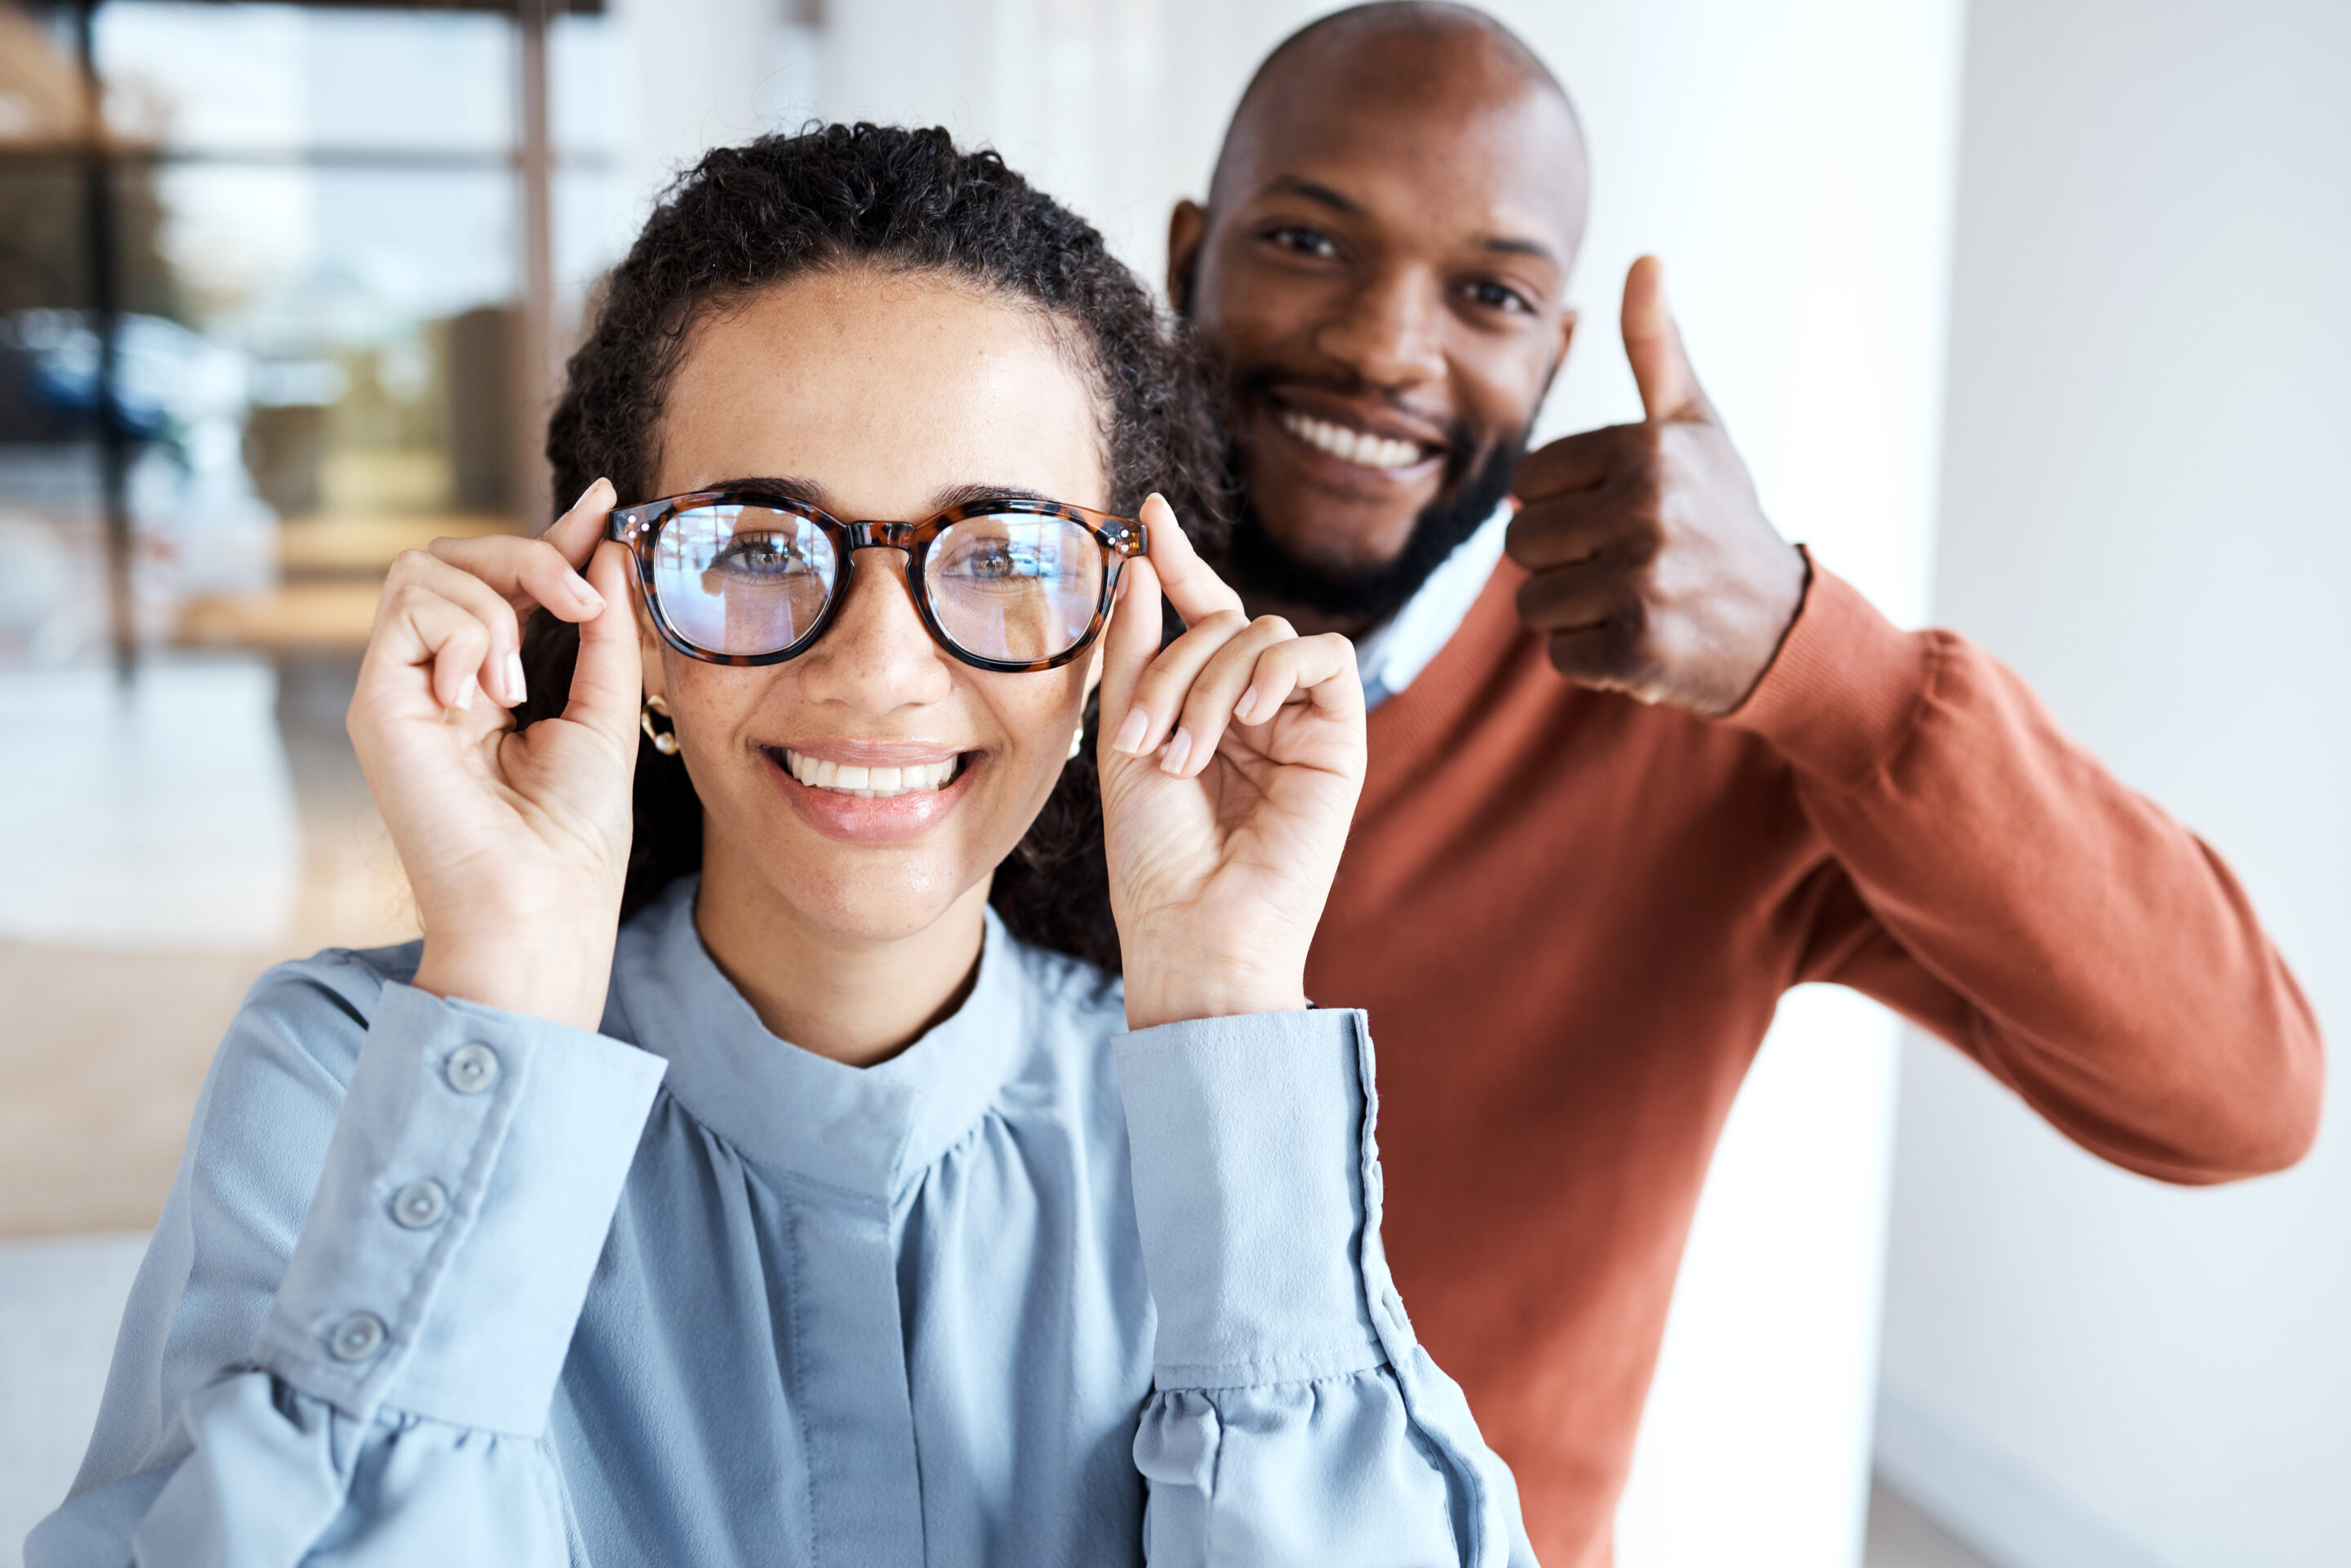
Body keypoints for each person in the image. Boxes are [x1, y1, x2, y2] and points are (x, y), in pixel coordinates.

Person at [31, 126, 1538, 1567]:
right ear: (630, 621)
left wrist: (1224, 999)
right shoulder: (350, 1077)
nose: (880, 667)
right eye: (757, 544)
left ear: (1112, 641)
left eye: (1004, 552)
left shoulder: (1212, 1119)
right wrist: (504, 980)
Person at [1160, 5, 2325, 1563]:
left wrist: (1819, 655)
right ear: (1190, 256)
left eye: (1491, 290)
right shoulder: (992, 632)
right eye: (1308, 240)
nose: (1385, 345)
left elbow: (2241, 1092)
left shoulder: (1697, 726)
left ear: (1557, 351)